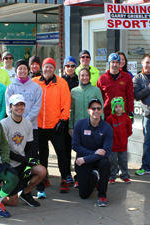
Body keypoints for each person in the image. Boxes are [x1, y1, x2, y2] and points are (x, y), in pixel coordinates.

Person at [0, 94, 46, 207]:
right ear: (10, 107)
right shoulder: (4, 124)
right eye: (16, 105)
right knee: (12, 202)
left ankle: (26, 193)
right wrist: (26, 160)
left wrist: (28, 164)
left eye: (22, 105)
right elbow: (5, 151)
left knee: (42, 171)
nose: (19, 107)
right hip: (7, 164)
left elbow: (29, 147)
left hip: (21, 162)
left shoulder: (28, 123)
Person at [5, 59, 45, 198]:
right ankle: (18, 186)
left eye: (24, 68)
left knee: (33, 155)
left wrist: (25, 122)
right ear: (15, 71)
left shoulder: (36, 87)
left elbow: (37, 107)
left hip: (31, 126)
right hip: (14, 127)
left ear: (28, 70)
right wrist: (18, 122)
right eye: (19, 68)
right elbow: (8, 108)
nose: (22, 71)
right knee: (16, 153)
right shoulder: (10, 88)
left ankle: (37, 187)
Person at [32, 58, 71, 194]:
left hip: (56, 125)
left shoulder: (61, 83)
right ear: (42, 68)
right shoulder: (35, 82)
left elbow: (66, 103)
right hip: (39, 126)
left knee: (61, 153)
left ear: (54, 69)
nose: (48, 69)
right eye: (46, 67)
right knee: (43, 155)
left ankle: (65, 179)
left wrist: (63, 120)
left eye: (50, 67)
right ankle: (44, 178)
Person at [72, 99, 113, 207]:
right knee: (83, 194)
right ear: (88, 111)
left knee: (106, 163)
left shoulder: (107, 128)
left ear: (102, 110)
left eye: (98, 108)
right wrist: (93, 153)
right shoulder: (80, 124)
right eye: (93, 108)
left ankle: (102, 195)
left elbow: (106, 152)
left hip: (95, 159)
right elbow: (75, 145)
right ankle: (95, 175)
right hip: (84, 159)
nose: (96, 110)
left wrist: (86, 158)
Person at [69, 67, 104, 188]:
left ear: (90, 77)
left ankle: (96, 178)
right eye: (82, 75)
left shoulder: (96, 90)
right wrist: (71, 126)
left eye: (86, 75)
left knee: (94, 151)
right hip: (79, 127)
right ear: (78, 76)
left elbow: (101, 109)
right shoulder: (74, 91)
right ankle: (79, 177)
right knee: (80, 152)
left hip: (94, 126)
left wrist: (101, 126)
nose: (84, 77)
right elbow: (72, 110)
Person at [97, 53, 134, 120]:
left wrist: (130, 112)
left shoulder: (127, 77)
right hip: (107, 115)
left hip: (122, 114)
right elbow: (99, 98)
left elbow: (130, 96)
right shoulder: (102, 79)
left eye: (117, 62)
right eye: (112, 62)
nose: (115, 64)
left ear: (119, 63)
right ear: (109, 63)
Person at [107, 97, 132, 184]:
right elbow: (108, 132)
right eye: (116, 106)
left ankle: (124, 175)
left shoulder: (127, 118)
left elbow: (129, 131)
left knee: (123, 161)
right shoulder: (110, 118)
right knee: (113, 162)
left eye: (120, 106)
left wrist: (124, 137)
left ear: (123, 107)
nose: (118, 108)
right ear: (113, 108)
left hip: (123, 145)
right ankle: (112, 176)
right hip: (113, 146)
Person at [62, 56, 79, 184]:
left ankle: (80, 173)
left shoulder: (80, 80)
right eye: (67, 66)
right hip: (64, 118)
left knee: (80, 147)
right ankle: (67, 173)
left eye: (73, 66)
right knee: (66, 148)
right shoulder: (60, 81)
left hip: (78, 118)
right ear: (64, 67)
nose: (70, 68)